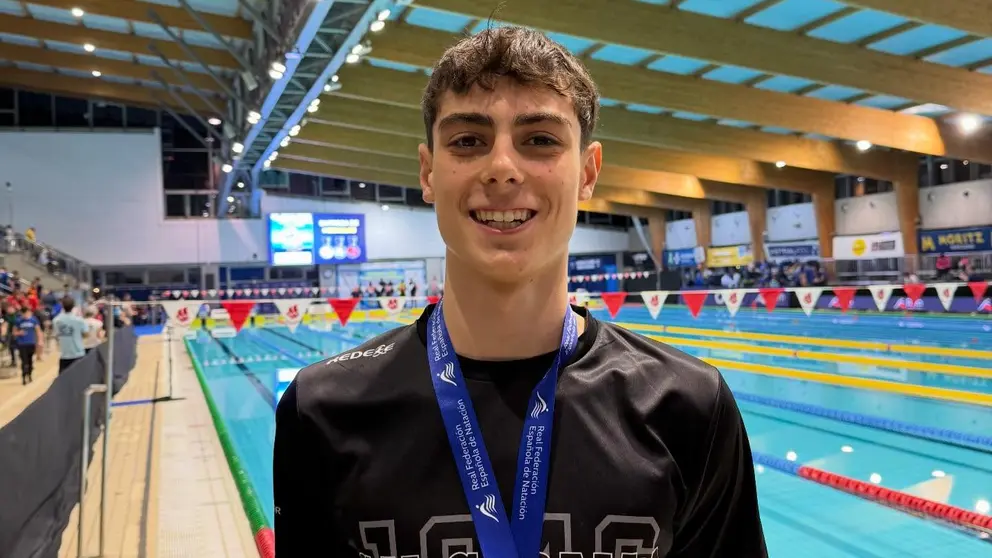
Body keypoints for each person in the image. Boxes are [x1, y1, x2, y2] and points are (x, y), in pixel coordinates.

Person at [273, 26, 766, 558]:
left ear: (587, 172)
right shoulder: (323, 409)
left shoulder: (688, 405)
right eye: (468, 140)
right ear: (428, 172)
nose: (502, 168)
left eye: (540, 140)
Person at [52, 297, 89, 374]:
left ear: (62, 306)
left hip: (64, 354)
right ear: (73, 306)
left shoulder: (56, 320)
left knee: (63, 381)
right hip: (78, 353)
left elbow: (56, 335)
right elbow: (86, 334)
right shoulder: (79, 320)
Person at [13, 305, 42, 384]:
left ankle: (29, 374)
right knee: (24, 361)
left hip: (31, 343)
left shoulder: (33, 320)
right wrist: (19, 333)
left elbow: (38, 330)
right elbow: (14, 332)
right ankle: (24, 377)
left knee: (30, 360)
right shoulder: (18, 321)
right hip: (22, 344)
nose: (26, 315)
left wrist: (39, 341)